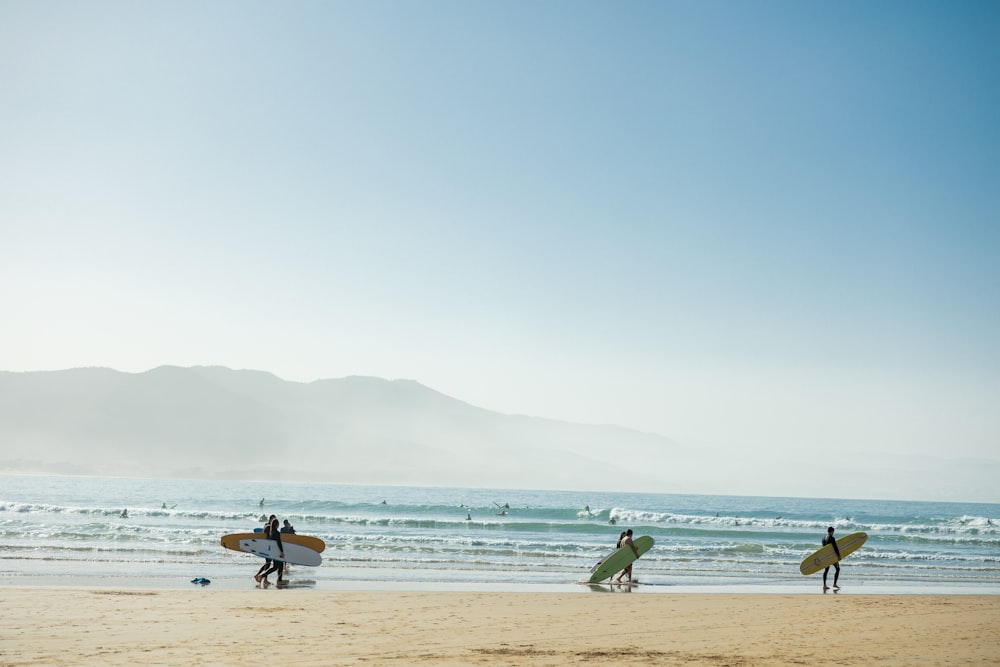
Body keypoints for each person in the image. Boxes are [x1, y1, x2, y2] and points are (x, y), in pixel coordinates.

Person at [258, 517, 285, 586]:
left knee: (278, 566)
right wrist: (281, 552)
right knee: (276, 566)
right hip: (276, 552)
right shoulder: (277, 533)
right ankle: (262, 576)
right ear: (277, 525)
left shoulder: (271, 532)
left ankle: (279, 579)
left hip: (272, 552)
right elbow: (279, 543)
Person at [823, 526, 841, 591]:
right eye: (833, 532)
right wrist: (838, 556)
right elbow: (835, 547)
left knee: (826, 571)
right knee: (838, 569)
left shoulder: (824, 538)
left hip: (826, 557)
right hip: (832, 557)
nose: (833, 533)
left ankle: (824, 585)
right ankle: (834, 584)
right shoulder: (832, 538)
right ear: (832, 531)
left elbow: (823, 548)